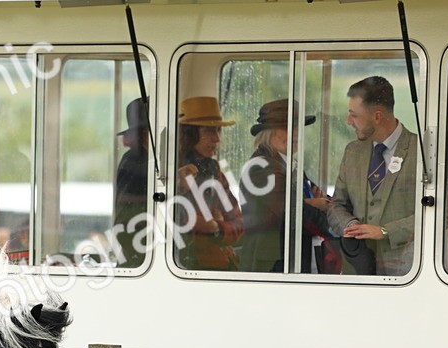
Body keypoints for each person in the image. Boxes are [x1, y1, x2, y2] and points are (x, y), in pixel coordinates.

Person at [323, 76, 419, 276]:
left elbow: (444, 214)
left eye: (354, 115)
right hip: (357, 269)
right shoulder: (352, 152)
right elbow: (336, 204)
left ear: (377, 116)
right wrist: (350, 225)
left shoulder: (422, 153)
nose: (349, 121)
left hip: (409, 274)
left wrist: (385, 231)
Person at [238, 99, 333, 273]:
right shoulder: (262, 168)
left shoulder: (288, 164)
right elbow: (293, 213)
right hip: (272, 265)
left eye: (297, 128)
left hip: (291, 258)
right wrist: (320, 207)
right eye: (287, 128)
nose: (295, 134)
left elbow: (306, 201)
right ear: (270, 132)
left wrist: (316, 202)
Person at [173, 96, 244, 271]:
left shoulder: (215, 171)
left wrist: (215, 227)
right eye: (209, 131)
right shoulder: (170, 172)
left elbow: (238, 224)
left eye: (218, 131)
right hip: (180, 265)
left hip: (215, 266)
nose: (217, 139)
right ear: (189, 134)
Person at [112, 98, 150, 268]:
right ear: (144, 133)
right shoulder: (136, 162)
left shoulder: (143, 159)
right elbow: (126, 220)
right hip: (139, 259)